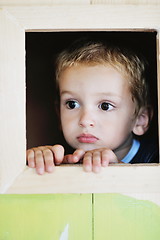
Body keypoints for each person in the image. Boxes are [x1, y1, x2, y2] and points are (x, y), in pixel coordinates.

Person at [26, 39, 158, 175]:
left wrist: (119, 172)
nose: (85, 120)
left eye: (105, 106)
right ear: (59, 114)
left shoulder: (154, 159)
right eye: (72, 104)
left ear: (140, 120)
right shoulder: (63, 157)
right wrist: (39, 163)